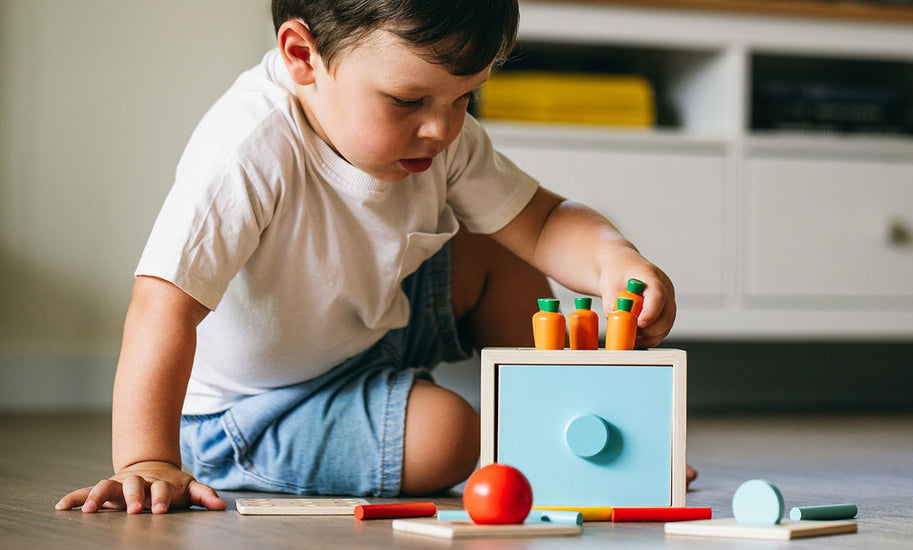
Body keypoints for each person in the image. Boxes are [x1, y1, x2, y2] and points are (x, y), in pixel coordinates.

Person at [56, 0, 677, 514]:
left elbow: (540, 222)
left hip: (371, 324)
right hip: (255, 411)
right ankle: (527, 444)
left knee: (499, 247)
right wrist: (147, 459)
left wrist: (614, 259)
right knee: (450, 436)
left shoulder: (439, 135)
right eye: (408, 102)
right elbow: (160, 306)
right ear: (304, 57)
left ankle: (581, 424)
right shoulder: (246, 149)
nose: (442, 129)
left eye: (465, 99)